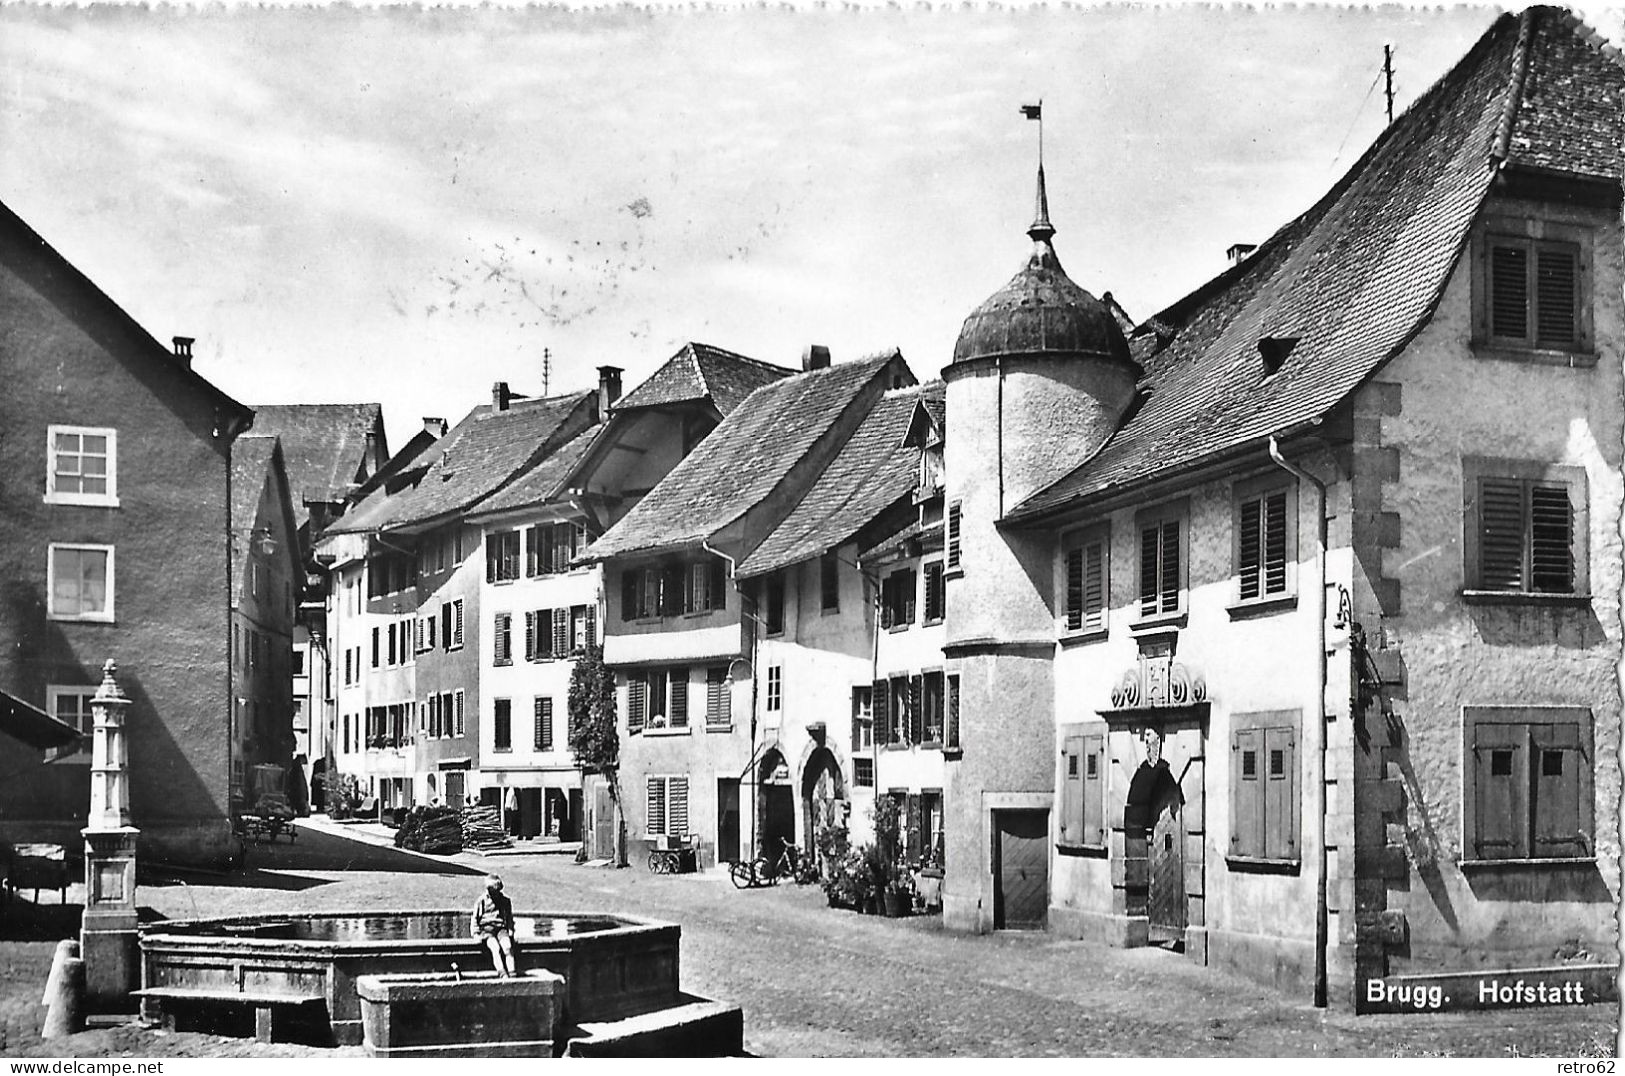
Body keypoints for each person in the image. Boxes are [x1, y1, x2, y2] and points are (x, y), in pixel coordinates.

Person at [471, 874, 518, 977]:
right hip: (487, 929)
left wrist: (510, 930)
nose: (494, 894)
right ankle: (502, 973)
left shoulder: (505, 901)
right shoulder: (481, 901)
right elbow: (475, 919)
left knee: (507, 947)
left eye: (496, 892)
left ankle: (512, 972)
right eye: (492, 891)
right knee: (495, 948)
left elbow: (509, 918)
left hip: (501, 929)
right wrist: (475, 933)